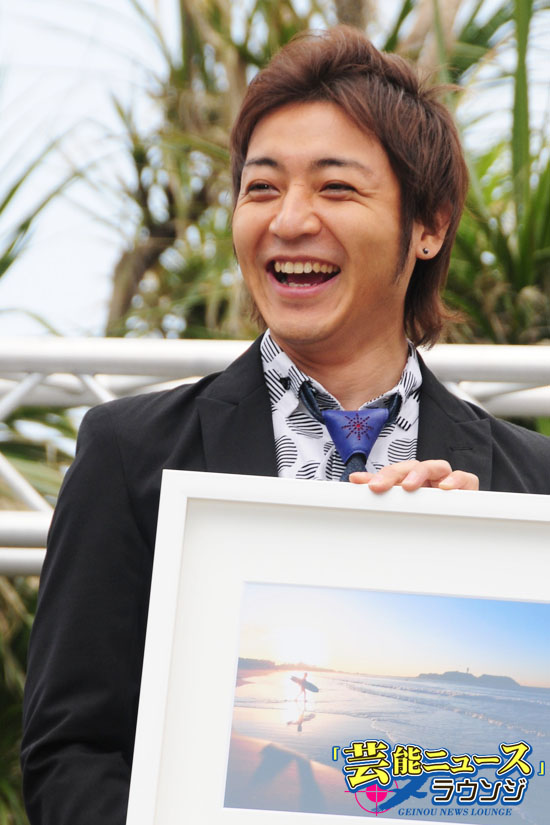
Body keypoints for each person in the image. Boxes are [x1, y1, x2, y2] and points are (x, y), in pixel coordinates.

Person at [21, 25, 550, 825]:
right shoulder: (128, 454)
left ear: (430, 225)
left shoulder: (530, 488)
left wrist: (493, 578)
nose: (289, 219)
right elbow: (69, 757)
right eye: (262, 187)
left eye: (336, 188)